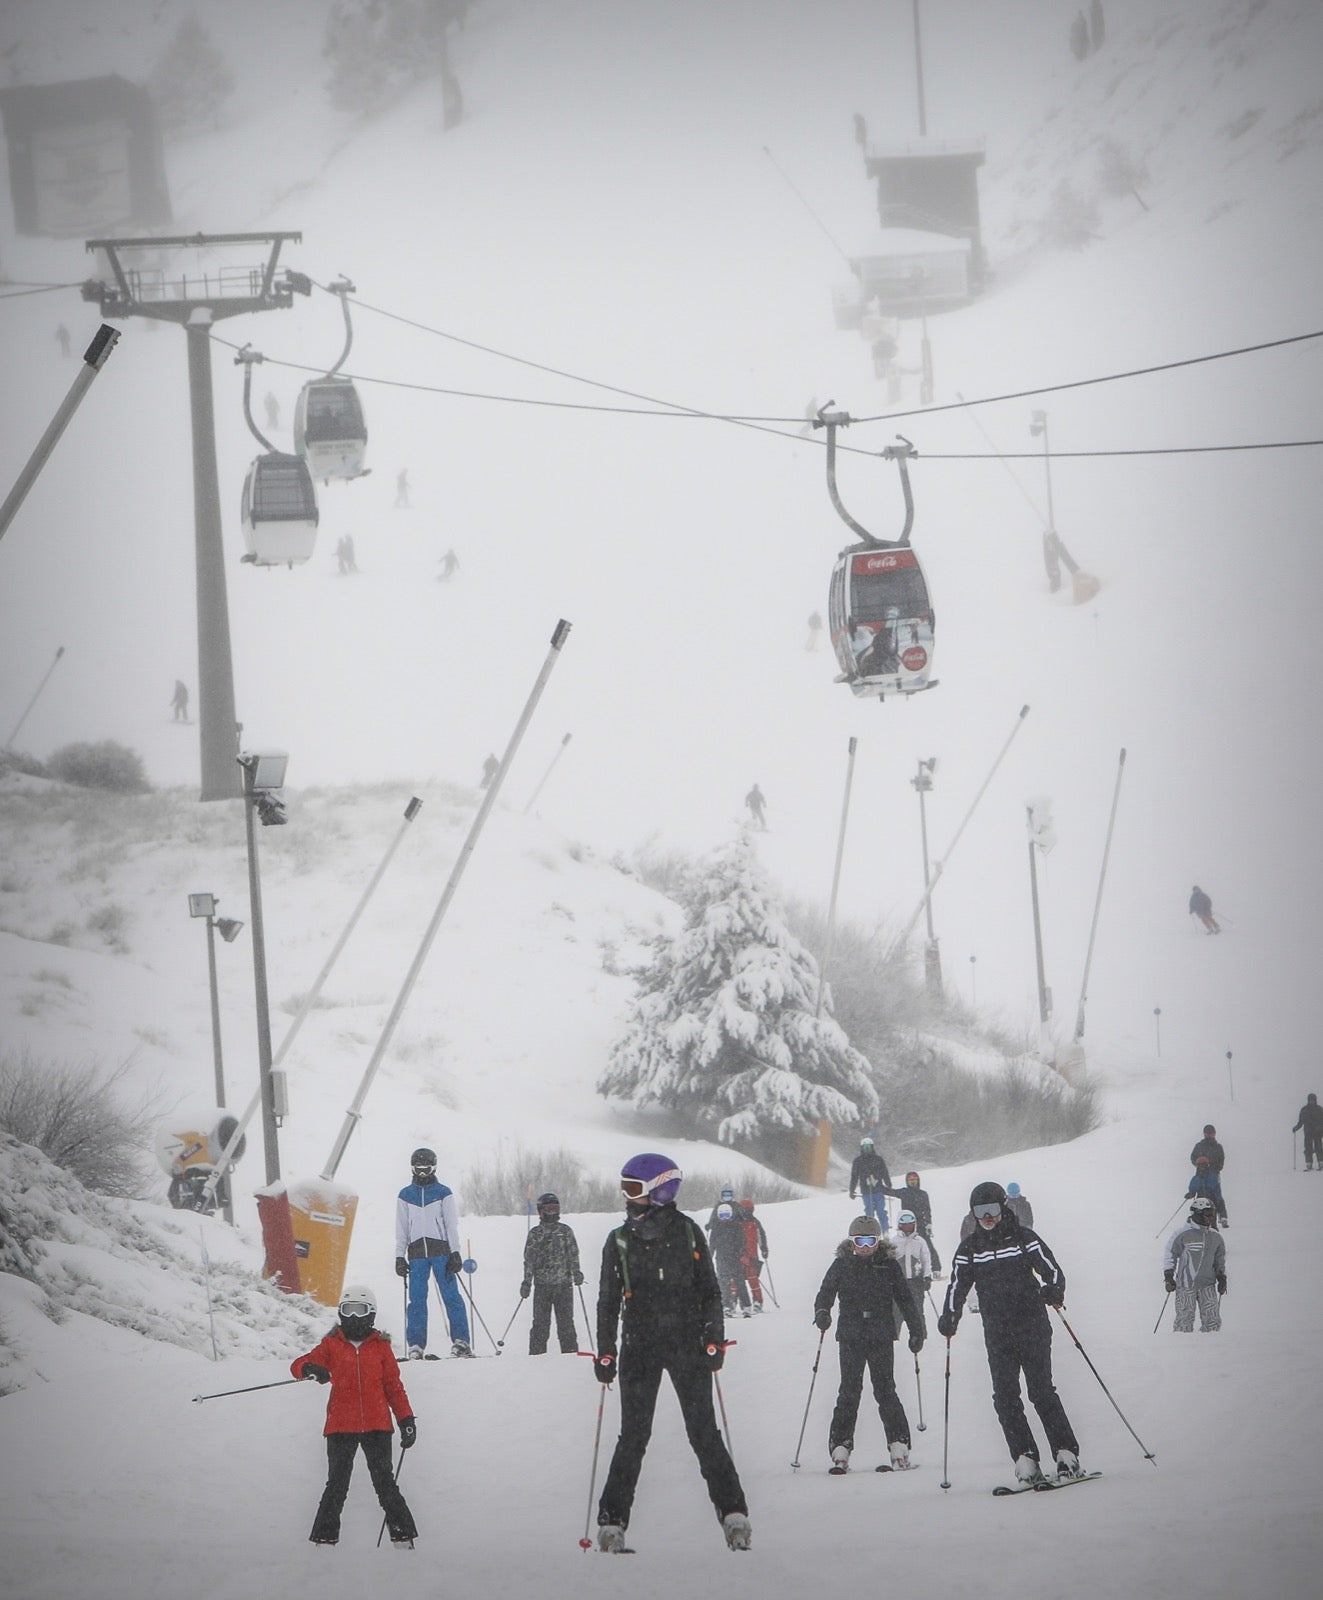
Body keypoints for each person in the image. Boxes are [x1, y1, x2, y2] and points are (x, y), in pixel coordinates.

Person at [593, 1152, 750, 1553]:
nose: (626, 1196)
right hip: (639, 1346)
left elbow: (709, 1290)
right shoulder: (619, 1240)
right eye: (625, 1187)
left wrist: (714, 1336)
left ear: (658, 1191)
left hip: (687, 1344)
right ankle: (612, 1522)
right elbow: (608, 1301)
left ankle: (734, 1515)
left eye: (633, 1188)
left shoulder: (687, 1232)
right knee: (633, 1436)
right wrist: (606, 1350)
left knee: (703, 1433)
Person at [937, 1181, 1084, 1487]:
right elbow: (957, 1285)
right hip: (997, 1330)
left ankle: (1066, 1454)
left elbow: (1052, 1269)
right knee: (1005, 1397)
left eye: (992, 1209)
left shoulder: (1023, 1238)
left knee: (1041, 1391)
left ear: (1003, 1208)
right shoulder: (970, 1248)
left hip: (1032, 1324)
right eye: (981, 1211)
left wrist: (1054, 1289)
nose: (987, 1216)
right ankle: (1025, 1458)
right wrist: (951, 1314)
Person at [291, 1284, 419, 1548]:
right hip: (341, 1426)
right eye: (347, 1311)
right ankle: (324, 1541)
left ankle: (403, 1538)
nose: (353, 1318)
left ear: (371, 1314)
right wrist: (311, 1368)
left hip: (377, 1427)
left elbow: (393, 1387)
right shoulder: (331, 1344)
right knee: (337, 1485)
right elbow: (298, 1365)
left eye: (359, 1311)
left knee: (385, 1483)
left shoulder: (380, 1348)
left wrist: (406, 1420)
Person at [814, 1214, 924, 1472]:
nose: (864, 1246)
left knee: (885, 1390)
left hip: (880, 1335)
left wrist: (916, 1329)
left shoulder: (888, 1265)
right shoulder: (841, 1264)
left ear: (878, 1242)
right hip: (851, 1336)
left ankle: (899, 1446)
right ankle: (840, 1447)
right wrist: (822, 1312)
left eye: (870, 1241)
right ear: (851, 1242)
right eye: (859, 1241)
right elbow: (825, 1292)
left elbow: (906, 1299)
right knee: (849, 1392)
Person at [394, 1147, 473, 1357]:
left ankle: (461, 1341)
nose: (422, 1172)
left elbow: (451, 1225)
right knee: (417, 1300)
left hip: (441, 1252)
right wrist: (399, 1256)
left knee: (451, 1296)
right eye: (418, 1168)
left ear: (433, 1167)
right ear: (412, 1168)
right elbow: (401, 1229)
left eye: (426, 1168)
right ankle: (416, 1345)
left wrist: (455, 1252)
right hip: (417, 1253)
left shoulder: (443, 1192)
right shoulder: (405, 1195)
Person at [521, 1191, 583, 1354]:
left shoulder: (565, 1231)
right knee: (540, 1325)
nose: (552, 1212)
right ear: (540, 1210)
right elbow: (529, 1260)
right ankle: (536, 1357)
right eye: (548, 1208)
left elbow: (573, 1254)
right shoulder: (535, 1234)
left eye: (555, 1208)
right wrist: (527, 1282)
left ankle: (570, 1356)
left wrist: (577, 1272)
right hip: (542, 1287)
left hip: (564, 1286)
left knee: (566, 1325)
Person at [1163, 1197, 1226, 1333]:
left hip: (1208, 1284)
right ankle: (1182, 1348)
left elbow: (1219, 1259)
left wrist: (1222, 1277)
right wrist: (1168, 1276)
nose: (1211, 1218)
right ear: (1197, 1213)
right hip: (1186, 1285)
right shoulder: (1182, 1234)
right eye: (1207, 1214)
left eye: (1212, 1214)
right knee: (1184, 1320)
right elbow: (1170, 1254)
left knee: (1212, 1321)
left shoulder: (1215, 1237)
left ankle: (1212, 1349)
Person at [883, 1170, 941, 1274]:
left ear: (918, 1181)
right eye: (910, 1180)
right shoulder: (904, 1192)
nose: (913, 1182)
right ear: (907, 1182)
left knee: (927, 1246)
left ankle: (936, 1269)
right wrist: (878, 1186)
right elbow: (891, 1192)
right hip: (906, 1225)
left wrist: (928, 1224)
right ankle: (906, 1270)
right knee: (905, 1248)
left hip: (921, 1225)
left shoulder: (923, 1194)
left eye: (914, 1180)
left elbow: (927, 1210)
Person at [888, 1210, 932, 1337]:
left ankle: (921, 1335)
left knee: (917, 1309)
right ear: (900, 1225)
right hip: (898, 1283)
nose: (908, 1228)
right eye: (905, 1225)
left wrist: (927, 1276)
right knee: (896, 1310)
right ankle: (893, 1335)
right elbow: (888, 1262)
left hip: (915, 1282)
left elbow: (926, 1259)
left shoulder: (920, 1241)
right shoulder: (894, 1242)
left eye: (911, 1225)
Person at [709, 1203, 752, 1317]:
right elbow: (712, 1243)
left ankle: (746, 1306)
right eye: (722, 1215)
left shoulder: (736, 1226)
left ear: (731, 1215)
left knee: (740, 1282)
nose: (724, 1218)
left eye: (726, 1215)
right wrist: (710, 1255)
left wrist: (742, 1252)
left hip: (735, 1258)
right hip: (722, 1258)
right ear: (718, 1216)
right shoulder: (716, 1228)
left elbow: (742, 1241)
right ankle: (727, 1306)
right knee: (724, 1284)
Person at [849, 1136, 892, 1227]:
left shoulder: (878, 1159)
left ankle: (885, 1230)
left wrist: (888, 1184)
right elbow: (854, 1177)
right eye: (865, 1147)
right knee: (869, 1211)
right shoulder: (858, 1161)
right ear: (862, 1148)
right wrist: (852, 1190)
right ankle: (870, 1229)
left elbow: (884, 1172)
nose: (867, 1149)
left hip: (878, 1189)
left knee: (881, 1211)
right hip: (866, 1191)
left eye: (868, 1147)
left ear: (872, 1147)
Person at [737, 1198, 769, 1312]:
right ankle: (734, 1302)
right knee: (736, 1280)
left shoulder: (755, 1223)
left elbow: (761, 1237)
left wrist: (764, 1249)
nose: (747, 1212)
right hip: (738, 1256)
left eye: (749, 1210)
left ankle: (757, 1302)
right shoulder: (736, 1223)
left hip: (752, 1256)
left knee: (753, 1279)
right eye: (745, 1210)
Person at [1185, 1154, 1228, 1227]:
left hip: (1211, 1202)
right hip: (1200, 1202)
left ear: (1207, 1165)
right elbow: (1192, 1190)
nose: (1202, 1167)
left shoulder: (1212, 1177)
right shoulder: (1196, 1178)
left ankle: (1213, 1230)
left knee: (1211, 1221)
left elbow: (1217, 1192)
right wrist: (1190, 1194)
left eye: (1203, 1165)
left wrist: (1219, 1203)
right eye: (1200, 1165)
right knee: (1198, 1221)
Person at [1294, 1093, 1323, 1171]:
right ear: (1308, 1100)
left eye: (1313, 1100)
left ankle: (1321, 1163)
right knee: (1308, 1148)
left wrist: (1320, 1129)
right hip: (1308, 1133)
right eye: (1310, 1100)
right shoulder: (1304, 1110)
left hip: (1318, 1132)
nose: (1312, 1102)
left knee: (1319, 1148)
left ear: (1315, 1100)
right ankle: (1309, 1164)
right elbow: (1301, 1122)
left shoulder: (1319, 1109)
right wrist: (1296, 1128)